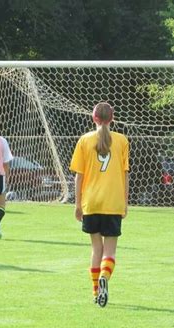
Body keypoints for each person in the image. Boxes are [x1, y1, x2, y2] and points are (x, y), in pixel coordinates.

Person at [70, 102, 129, 308]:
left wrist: (77, 204)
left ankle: (96, 292)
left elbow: (79, 176)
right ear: (112, 119)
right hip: (113, 201)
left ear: (93, 118)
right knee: (110, 250)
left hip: (91, 202)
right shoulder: (121, 140)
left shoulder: (84, 140)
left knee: (96, 248)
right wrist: (125, 202)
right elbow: (124, 174)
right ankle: (105, 276)